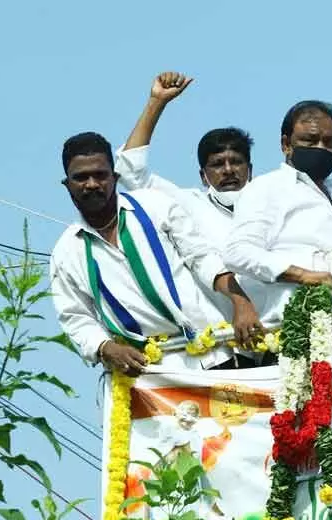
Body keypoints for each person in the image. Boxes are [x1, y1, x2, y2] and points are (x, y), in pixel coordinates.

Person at [50, 132, 261, 374]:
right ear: (67, 184)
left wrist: (241, 301)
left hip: (213, 358)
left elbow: (202, 258)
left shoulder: (155, 207)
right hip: (148, 378)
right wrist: (105, 347)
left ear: (115, 177)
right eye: (81, 177)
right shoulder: (66, 251)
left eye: (100, 175)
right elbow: (75, 316)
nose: (92, 184)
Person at [114, 73, 263, 363]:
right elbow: (130, 170)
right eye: (217, 164)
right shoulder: (187, 205)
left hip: (283, 339)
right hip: (225, 352)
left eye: (237, 162)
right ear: (203, 175)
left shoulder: (273, 202)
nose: (228, 170)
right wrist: (157, 102)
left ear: (251, 169)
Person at [225, 101, 332, 359]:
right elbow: (238, 252)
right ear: (286, 144)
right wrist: (302, 275)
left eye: (329, 142)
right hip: (295, 341)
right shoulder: (269, 188)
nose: (321, 149)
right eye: (310, 141)